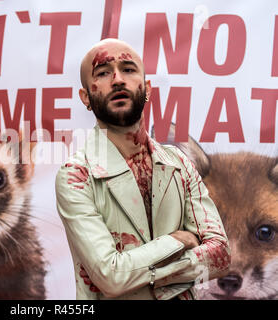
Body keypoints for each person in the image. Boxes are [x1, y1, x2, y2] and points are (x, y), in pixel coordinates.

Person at [55, 38, 231, 300]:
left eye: (128, 69)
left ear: (147, 88)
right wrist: (178, 241)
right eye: (103, 72)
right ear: (86, 98)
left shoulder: (180, 164)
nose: (117, 79)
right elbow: (111, 278)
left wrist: (142, 273)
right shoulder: (76, 175)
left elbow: (220, 255)